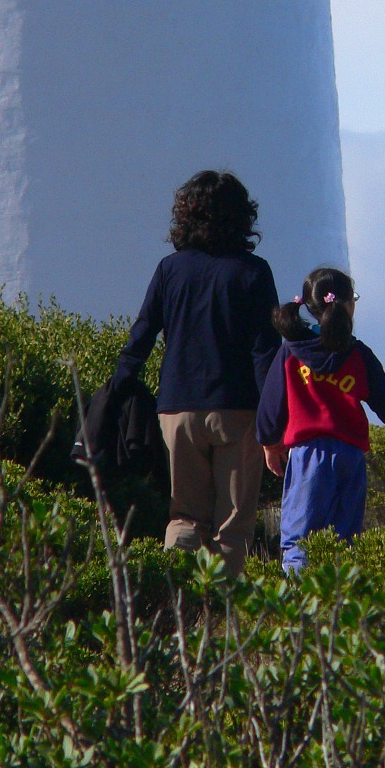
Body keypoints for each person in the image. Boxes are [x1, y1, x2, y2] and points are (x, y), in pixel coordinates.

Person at [113, 170, 281, 574]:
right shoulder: (254, 272)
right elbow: (265, 353)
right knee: (233, 526)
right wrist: (275, 421)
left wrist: (119, 387)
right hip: (239, 411)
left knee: (184, 517)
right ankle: (222, 621)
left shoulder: (170, 269)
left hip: (177, 407)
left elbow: (142, 334)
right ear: (243, 216)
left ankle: (178, 606)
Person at [256, 265, 385, 571]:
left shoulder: (291, 352)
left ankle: (301, 612)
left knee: (299, 544)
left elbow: (270, 409)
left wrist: (269, 444)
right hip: (350, 459)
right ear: (347, 305)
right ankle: (340, 613)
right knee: (344, 546)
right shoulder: (359, 356)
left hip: (306, 457)